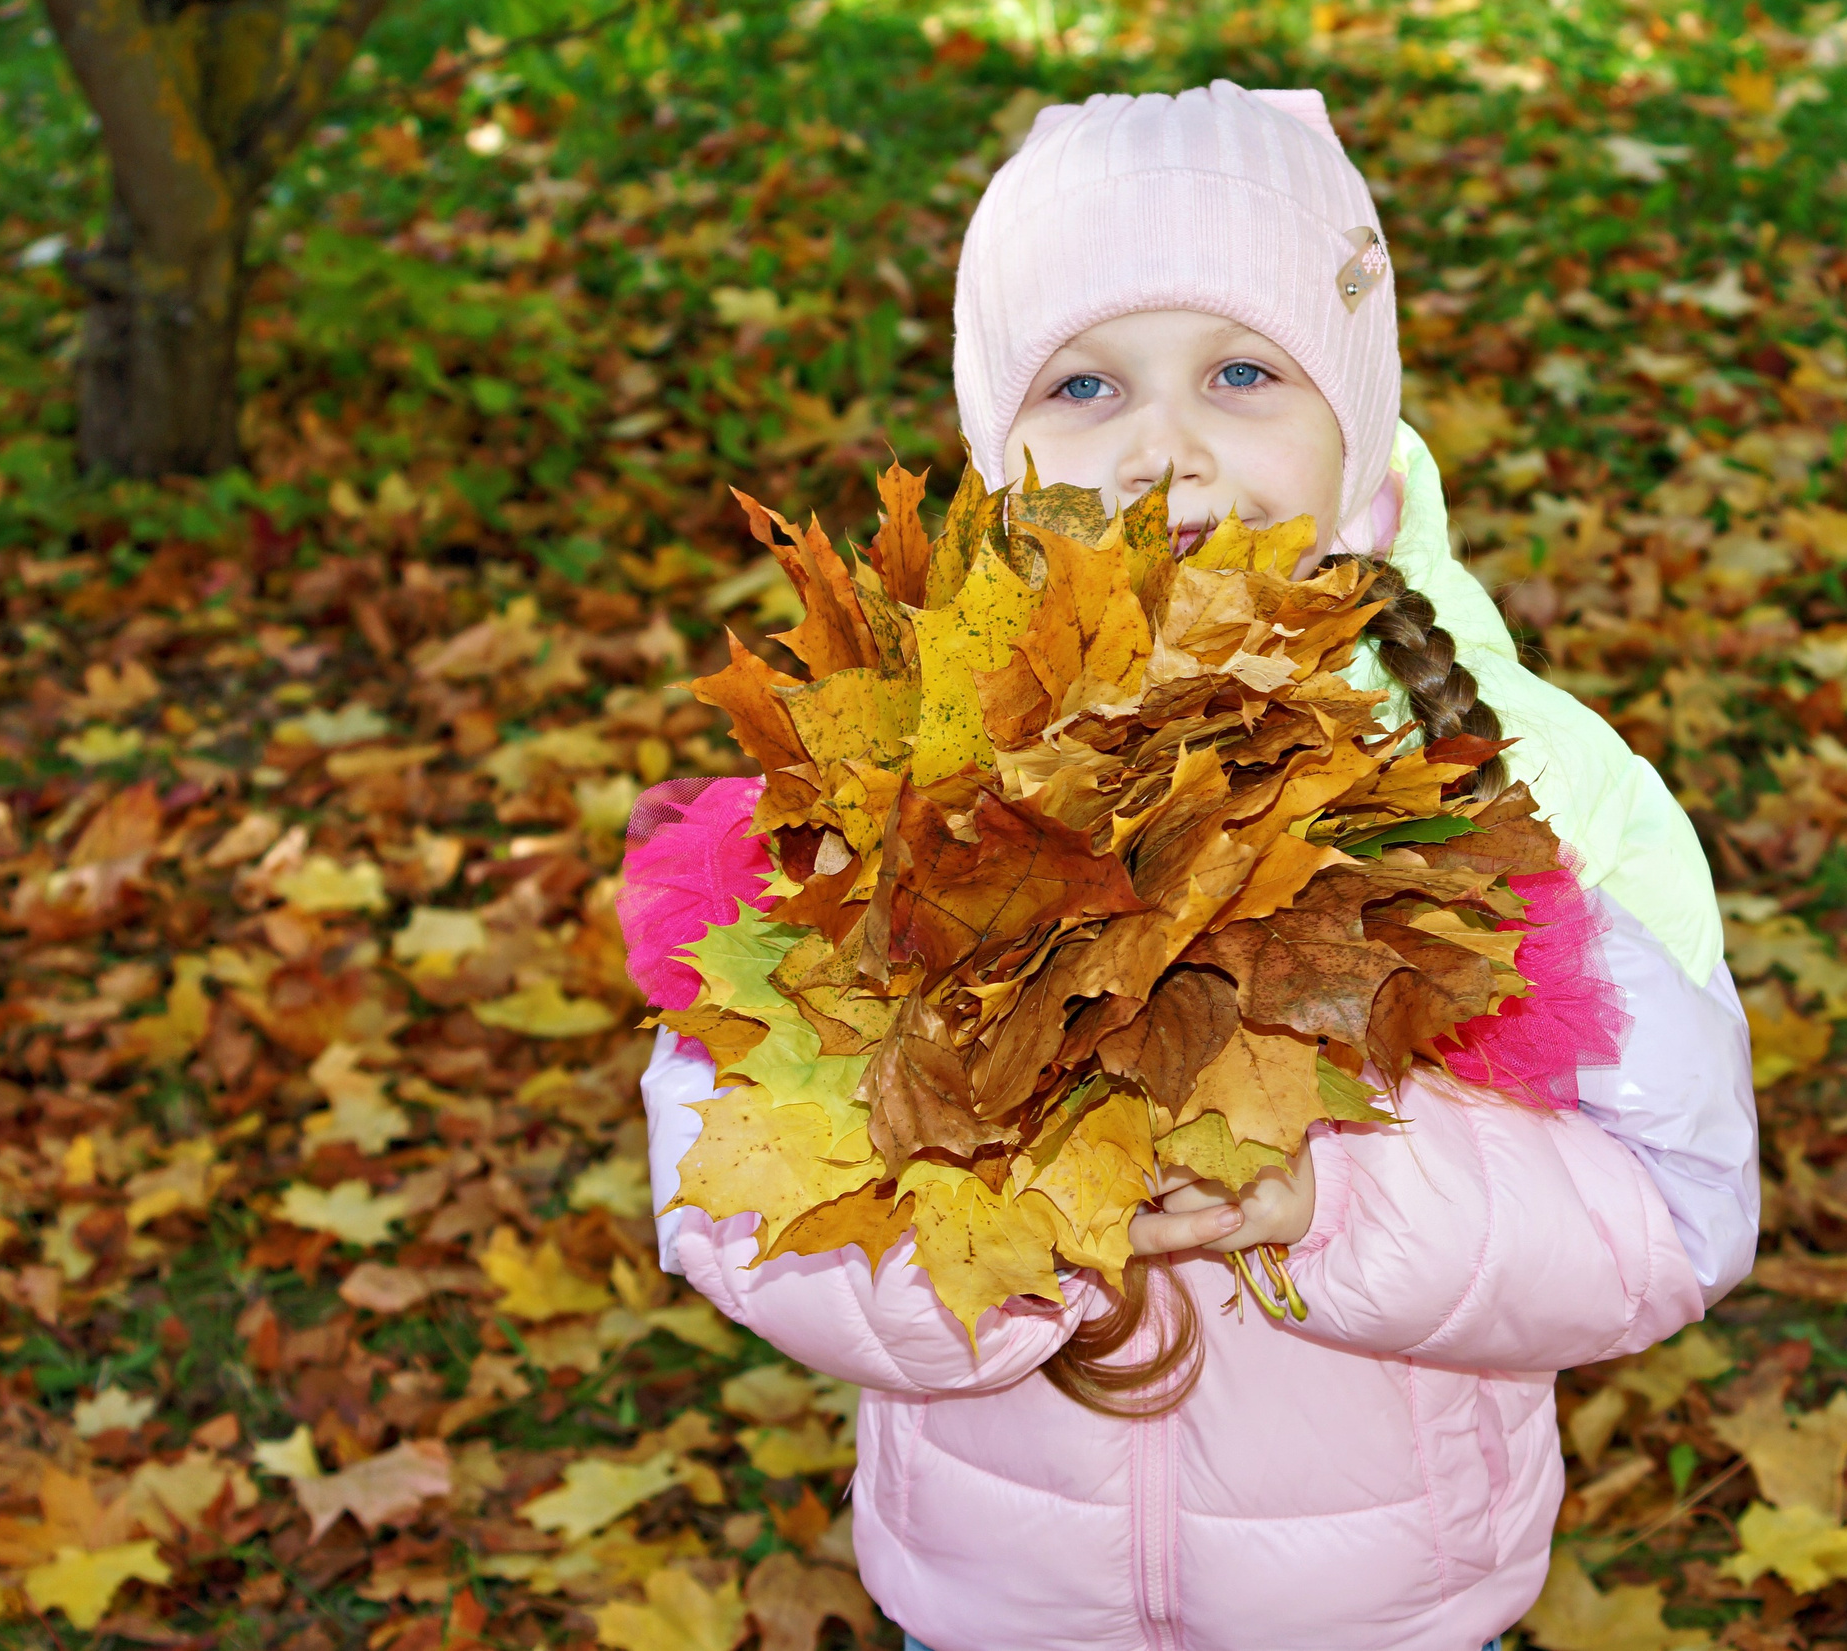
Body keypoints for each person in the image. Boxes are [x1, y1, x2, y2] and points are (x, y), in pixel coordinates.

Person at [624, 80, 1758, 1651]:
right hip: (996, 1609)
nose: (1165, 446)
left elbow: (1678, 1211)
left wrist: (1338, 1199)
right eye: (1084, 386)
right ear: (993, 443)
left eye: (1241, 371)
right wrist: (997, 1249)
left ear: (1356, 408)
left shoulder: (1518, 785)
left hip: (1378, 1615)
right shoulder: (888, 775)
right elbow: (728, 1187)